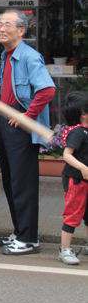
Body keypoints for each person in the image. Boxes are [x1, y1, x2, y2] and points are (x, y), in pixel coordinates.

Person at [0, 9, 55, 255]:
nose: (1, 28)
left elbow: (47, 90)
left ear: (21, 30)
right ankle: (20, 230)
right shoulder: (7, 54)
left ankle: (29, 238)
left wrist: (26, 117)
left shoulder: (30, 57)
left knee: (23, 183)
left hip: (20, 126)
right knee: (9, 180)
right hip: (6, 122)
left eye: (7, 24)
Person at [58, 91, 88, 266]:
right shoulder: (77, 133)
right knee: (73, 214)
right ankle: (65, 249)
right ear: (83, 113)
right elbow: (66, 155)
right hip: (76, 180)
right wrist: (83, 168)